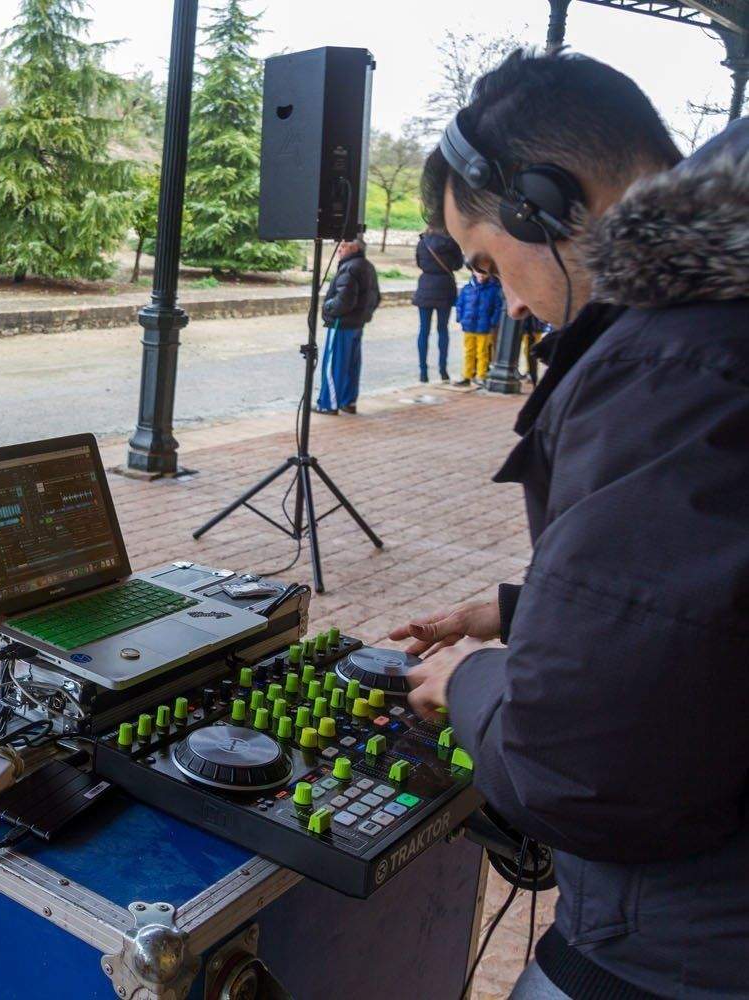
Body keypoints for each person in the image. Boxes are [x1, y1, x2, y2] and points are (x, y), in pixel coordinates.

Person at [393, 48, 748, 1000]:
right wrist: (520, 610)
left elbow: (579, 765)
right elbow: (710, 602)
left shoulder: (675, 360)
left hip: (687, 942)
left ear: (545, 203)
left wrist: (472, 682)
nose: (504, 299)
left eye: (490, 263)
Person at [314, 237, 381, 415]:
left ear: (354, 248)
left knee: (334, 364)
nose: (339, 250)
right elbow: (376, 297)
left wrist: (327, 307)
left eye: (344, 246)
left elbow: (344, 300)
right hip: (357, 323)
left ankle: (328, 404)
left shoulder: (350, 268)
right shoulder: (367, 266)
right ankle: (348, 401)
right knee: (351, 364)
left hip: (341, 323)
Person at [413, 227, 464, 382]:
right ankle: (443, 370)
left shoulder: (422, 243)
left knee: (424, 330)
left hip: (426, 285)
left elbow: (419, 263)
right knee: (442, 330)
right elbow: (458, 265)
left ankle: (423, 372)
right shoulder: (452, 243)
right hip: (445, 286)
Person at [453, 267, 505, 386]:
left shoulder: (493, 290)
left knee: (482, 353)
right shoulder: (467, 288)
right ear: (473, 272)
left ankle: (481, 376)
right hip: (469, 326)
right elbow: (460, 304)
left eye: (484, 273)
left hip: (484, 327)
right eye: (478, 272)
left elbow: (497, 308)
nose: (481, 276)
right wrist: (460, 318)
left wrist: (493, 322)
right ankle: (467, 375)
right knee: (469, 351)